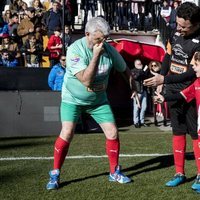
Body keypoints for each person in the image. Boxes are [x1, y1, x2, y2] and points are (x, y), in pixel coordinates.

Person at [46, 16, 139, 190]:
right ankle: (55, 173)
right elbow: (86, 81)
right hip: (72, 99)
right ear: (87, 34)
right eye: (98, 39)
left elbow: (125, 70)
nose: (102, 42)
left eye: (104, 39)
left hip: (98, 101)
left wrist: (133, 88)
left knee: (112, 133)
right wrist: (96, 55)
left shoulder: (109, 50)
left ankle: (114, 172)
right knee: (67, 133)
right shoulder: (75, 49)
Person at [143, 2, 200, 190]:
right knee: (177, 131)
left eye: (184, 26)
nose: (179, 29)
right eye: (177, 24)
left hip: (192, 94)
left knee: (196, 134)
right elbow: (168, 57)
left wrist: (164, 80)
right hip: (172, 91)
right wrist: (162, 82)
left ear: (196, 24)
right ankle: (179, 173)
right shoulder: (175, 34)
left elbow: (193, 73)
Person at [154, 51, 200, 193]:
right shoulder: (197, 83)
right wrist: (164, 98)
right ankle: (181, 173)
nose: (191, 65)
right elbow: (183, 94)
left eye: (196, 64)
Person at [131, 59, 149, 128]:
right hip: (137, 91)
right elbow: (136, 77)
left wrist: (144, 71)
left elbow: (146, 77)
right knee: (136, 108)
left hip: (144, 91)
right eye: (138, 64)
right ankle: (136, 122)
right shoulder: (132, 71)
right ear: (135, 65)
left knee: (144, 107)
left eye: (140, 64)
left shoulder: (142, 71)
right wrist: (142, 70)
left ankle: (142, 121)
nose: (140, 65)